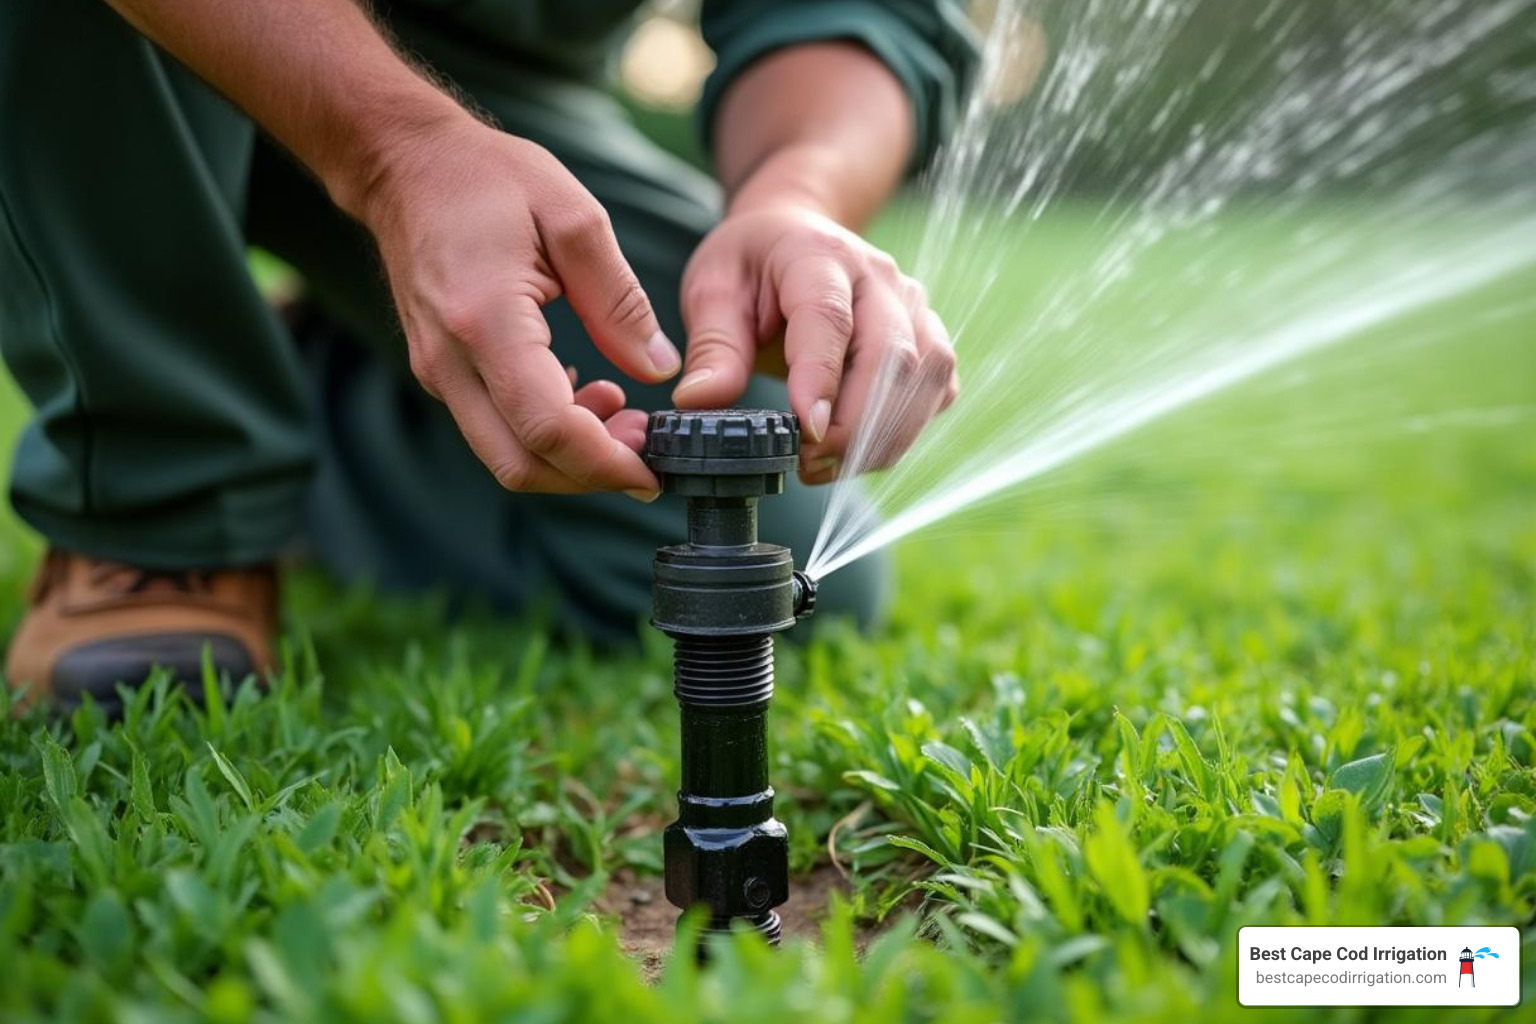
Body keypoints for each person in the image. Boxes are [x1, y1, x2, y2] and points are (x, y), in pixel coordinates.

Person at [0, 0, 976, 711]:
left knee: (787, 561)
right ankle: (160, 496)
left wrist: (792, 196)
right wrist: (396, 151)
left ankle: (326, 382)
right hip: (125, 36)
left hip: (491, 92)